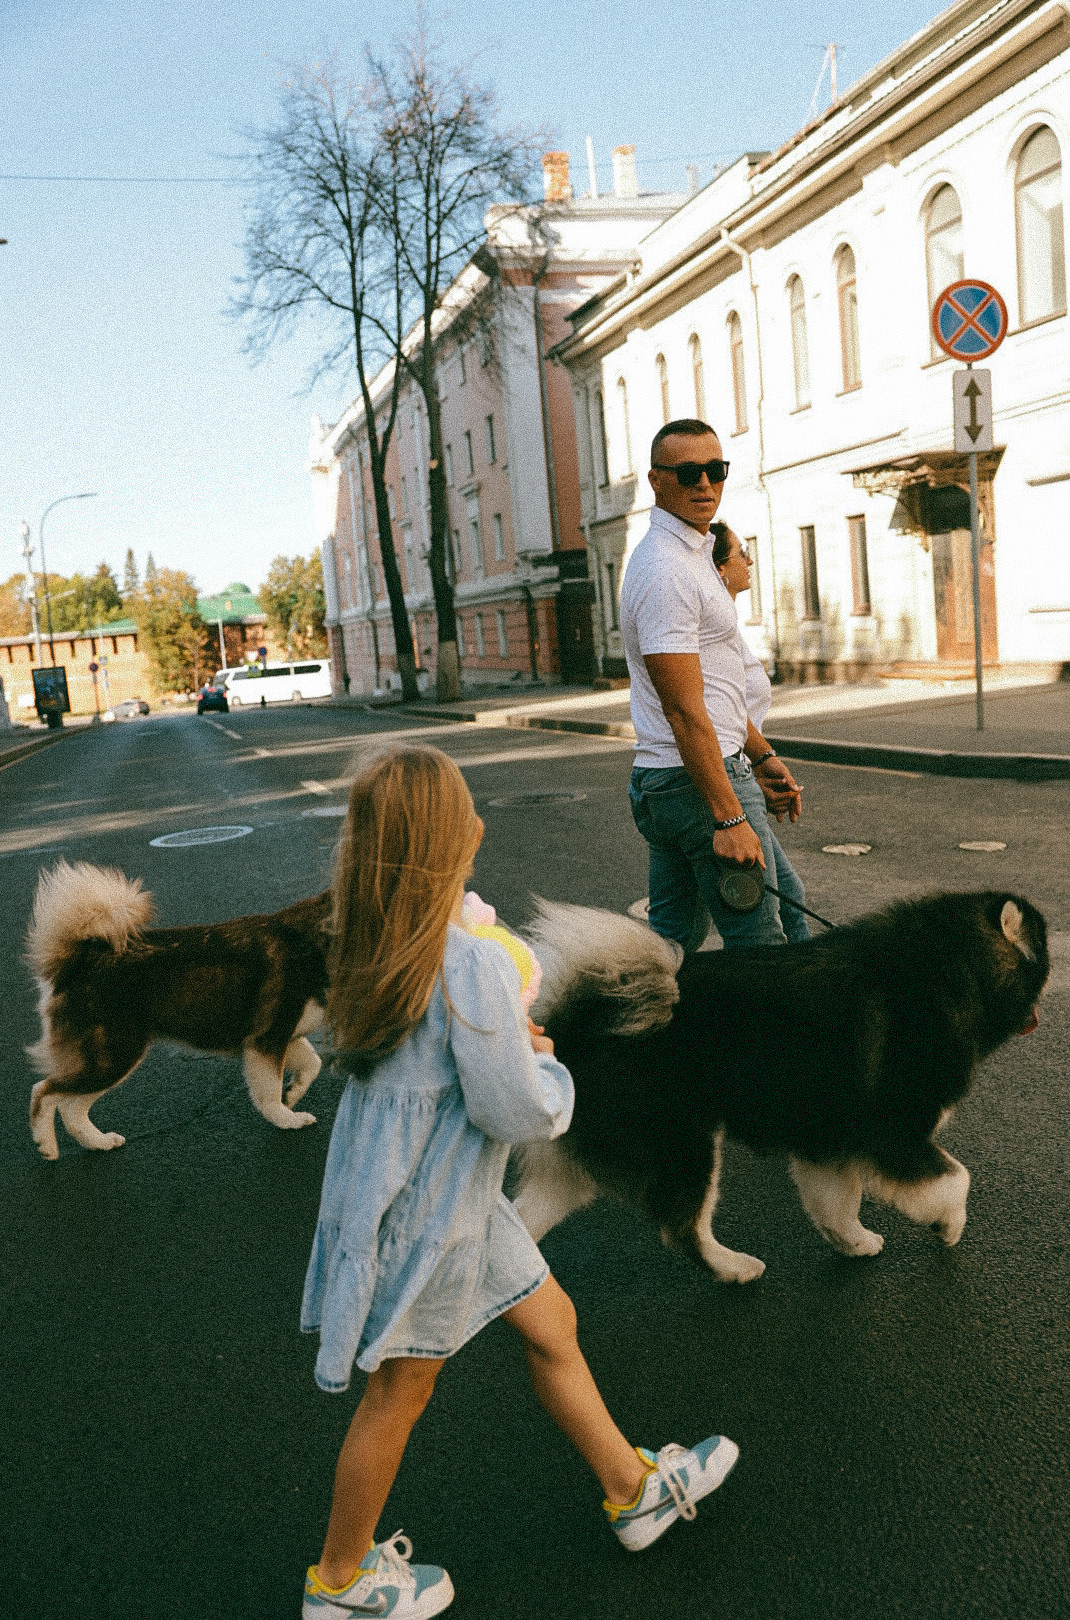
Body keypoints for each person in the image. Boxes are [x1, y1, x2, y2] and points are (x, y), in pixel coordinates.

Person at [300, 745, 739, 1620]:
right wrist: (544, 1063)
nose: (481, 826)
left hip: (428, 1194)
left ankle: (631, 1488)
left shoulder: (372, 945)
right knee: (401, 1393)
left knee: (553, 1324)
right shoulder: (467, 967)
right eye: (466, 816)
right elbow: (515, 1111)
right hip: (433, 1217)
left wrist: (506, 1042)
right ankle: (339, 1583)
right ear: (440, 847)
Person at [619, 417, 802, 952]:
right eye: (688, 472)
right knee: (764, 947)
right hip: (695, 784)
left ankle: (647, 1035)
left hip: (677, 781)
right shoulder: (667, 569)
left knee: (671, 947)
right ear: (657, 480)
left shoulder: (693, 554)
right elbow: (683, 710)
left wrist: (762, 755)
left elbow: (716, 686)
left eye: (715, 470)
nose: (704, 484)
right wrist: (727, 813)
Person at [710, 522, 809, 944]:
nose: (749, 561)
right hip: (725, 781)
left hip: (737, 776)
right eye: (740, 553)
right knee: (772, 916)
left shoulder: (727, 624)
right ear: (719, 570)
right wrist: (748, 780)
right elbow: (720, 715)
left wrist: (759, 769)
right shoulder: (713, 630)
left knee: (679, 923)